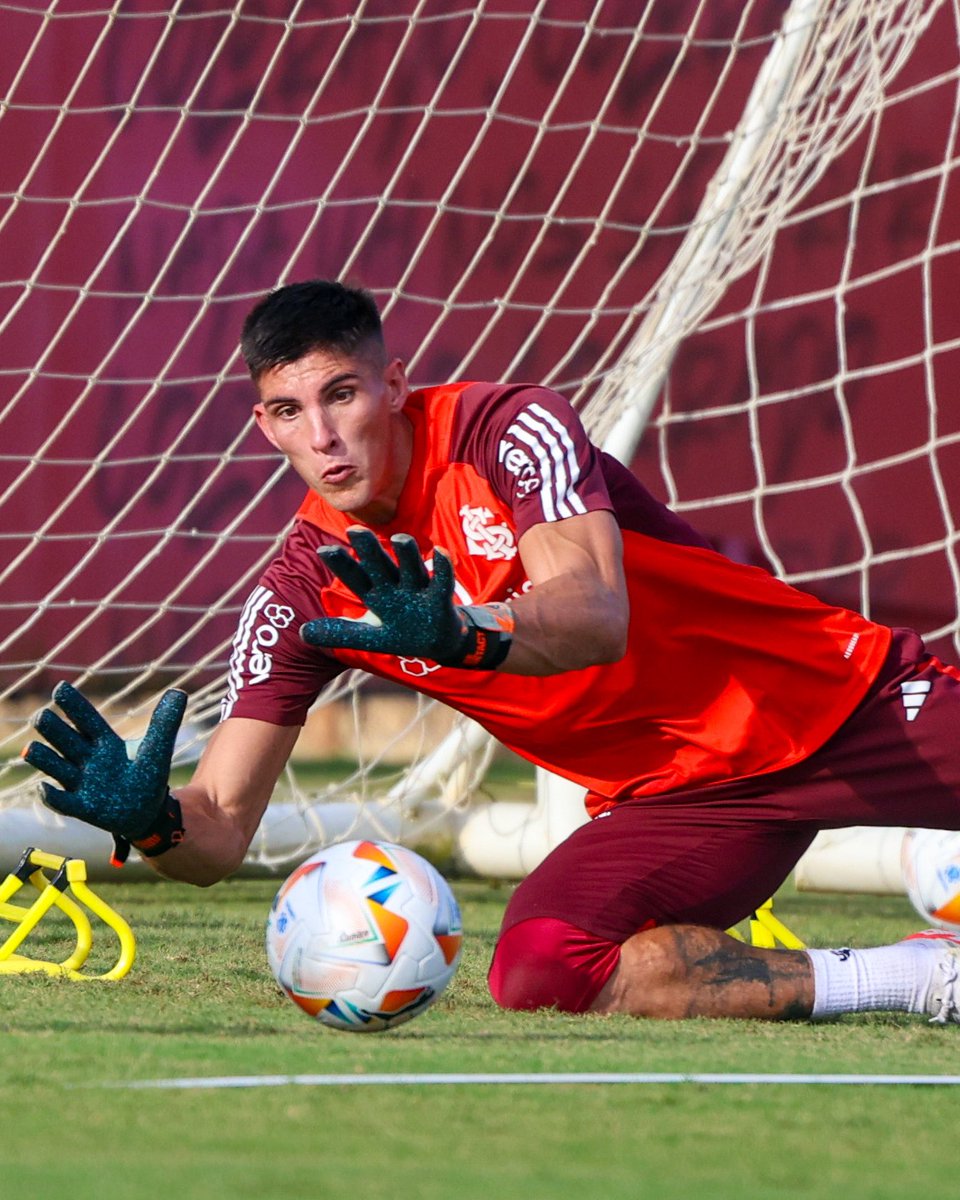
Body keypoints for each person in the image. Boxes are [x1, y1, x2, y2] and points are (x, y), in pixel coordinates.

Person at [23, 279, 960, 1024]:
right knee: (540, 967)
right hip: (680, 803)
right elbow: (221, 827)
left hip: (834, 702)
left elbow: (595, 615)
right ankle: (913, 976)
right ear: (263, 425)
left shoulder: (505, 429)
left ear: (391, 387)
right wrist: (154, 823)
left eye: (342, 394)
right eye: (288, 411)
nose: (323, 435)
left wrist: (468, 634)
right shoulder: (303, 591)